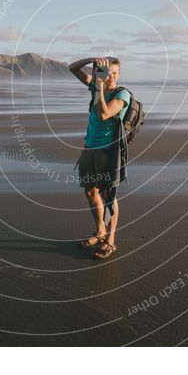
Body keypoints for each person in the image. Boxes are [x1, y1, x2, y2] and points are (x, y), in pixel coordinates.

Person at [68, 56, 130, 259]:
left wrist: (101, 86)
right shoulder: (96, 85)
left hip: (108, 152)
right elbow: (72, 68)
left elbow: (104, 114)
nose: (110, 76)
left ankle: (110, 241)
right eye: (106, 72)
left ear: (119, 74)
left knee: (109, 196)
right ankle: (100, 231)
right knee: (90, 192)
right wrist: (92, 60)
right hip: (90, 148)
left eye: (114, 73)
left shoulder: (123, 95)